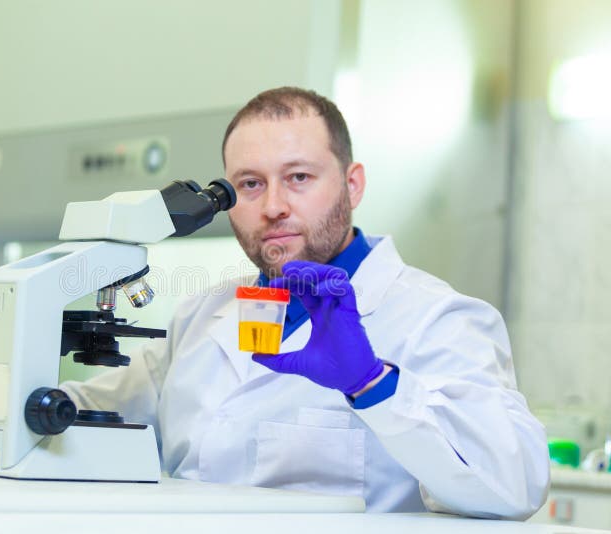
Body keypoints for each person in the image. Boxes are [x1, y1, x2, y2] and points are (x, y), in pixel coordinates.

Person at [61, 87, 549, 519]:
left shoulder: (438, 319)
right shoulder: (202, 313)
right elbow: (92, 407)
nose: (273, 206)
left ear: (352, 184)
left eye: (298, 177)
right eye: (250, 184)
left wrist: (374, 386)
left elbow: (516, 486)